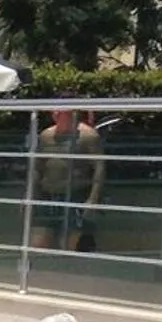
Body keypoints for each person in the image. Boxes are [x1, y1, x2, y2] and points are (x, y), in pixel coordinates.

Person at [30, 106, 105, 250]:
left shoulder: (88, 136)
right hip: (48, 195)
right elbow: (37, 168)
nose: (56, 114)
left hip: (76, 195)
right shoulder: (46, 135)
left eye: (60, 111)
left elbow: (99, 168)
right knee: (38, 244)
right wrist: (30, 195)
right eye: (54, 111)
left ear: (72, 113)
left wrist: (93, 199)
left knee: (72, 245)